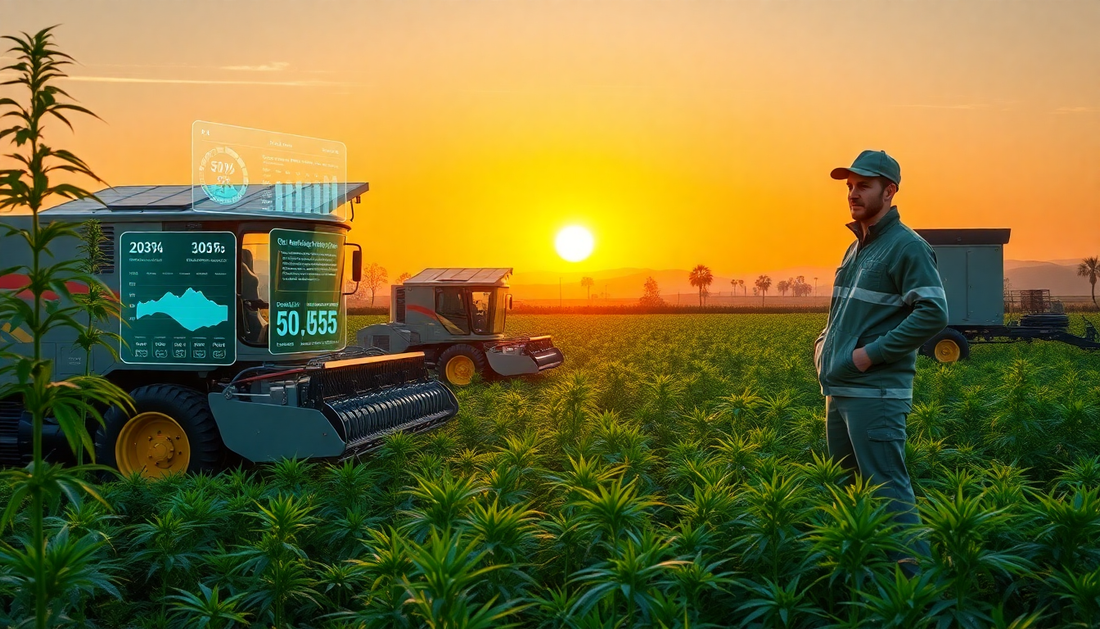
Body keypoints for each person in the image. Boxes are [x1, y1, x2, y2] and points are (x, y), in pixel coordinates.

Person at [814, 149, 948, 567]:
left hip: (875, 393)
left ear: (889, 191)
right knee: (849, 490)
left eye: (864, 186)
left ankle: (917, 595)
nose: (853, 194)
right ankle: (867, 581)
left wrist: (867, 357)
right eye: (850, 187)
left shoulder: (906, 246)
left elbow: (933, 312)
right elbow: (843, 314)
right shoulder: (856, 249)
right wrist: (822, 346)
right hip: (840, 389)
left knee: (888, 493)